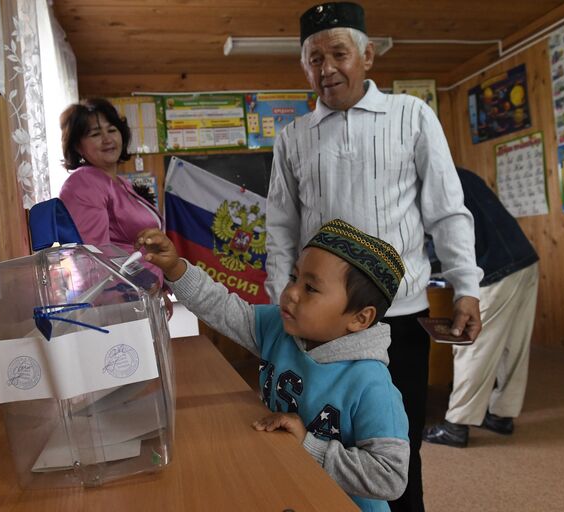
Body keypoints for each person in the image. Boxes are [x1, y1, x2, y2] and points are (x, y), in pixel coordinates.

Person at [264, 3, 484, 511]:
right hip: (321, 320)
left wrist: (466, 286)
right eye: (313, 59)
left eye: (338, 54)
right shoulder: (293, 137)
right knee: (317, 431)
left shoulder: (412, 116)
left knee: (395, 446)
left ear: (367, 56)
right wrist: (284, 299)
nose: (326, 69)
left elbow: (447, 211)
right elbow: (280, 226)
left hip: (399, 316)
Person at [137, 219, 410, 512]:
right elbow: (222, 307)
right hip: (287, 482)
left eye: (311, 289)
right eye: (294, 278)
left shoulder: (372, 385)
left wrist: (309, 446)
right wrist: (176, 268)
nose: (291, 292)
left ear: (359, 318)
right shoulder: (279, 328)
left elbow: (390, 477)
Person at [422, 168, 540, 447]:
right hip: (524, 258)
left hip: (492, 268)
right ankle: (502, 415)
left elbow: (444, 238)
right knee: (514, 346)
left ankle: (456, 425)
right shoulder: (459, 174)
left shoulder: (432, 183)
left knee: (472, 346)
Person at [58, 98, 166, 285]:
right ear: (77, 146)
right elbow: (95, 254)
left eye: (112, 130)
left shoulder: (121, 183)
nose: (107, 139)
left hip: (143, 295)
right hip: (117, 300)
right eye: (95, 134)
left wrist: (159, 287)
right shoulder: (85, 182)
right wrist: (147, 284)